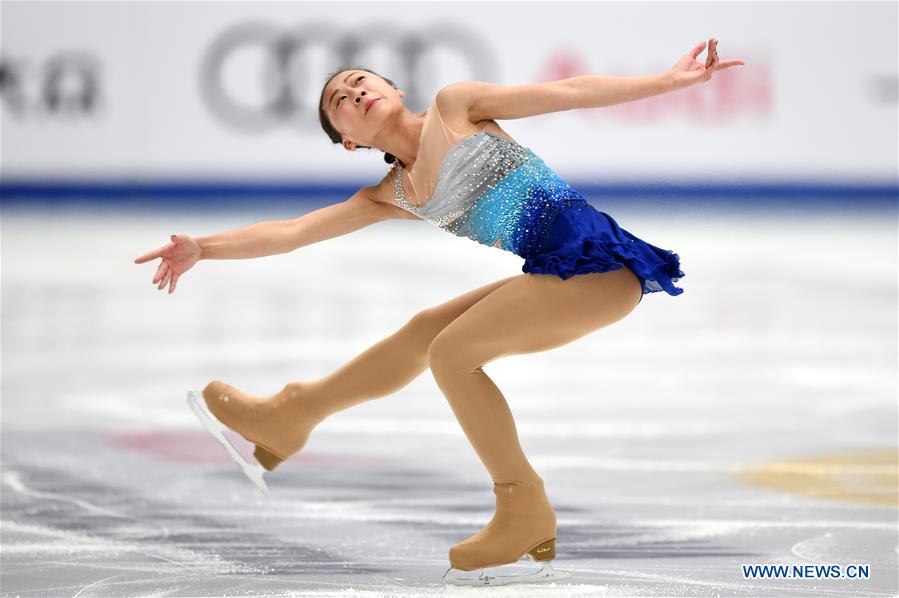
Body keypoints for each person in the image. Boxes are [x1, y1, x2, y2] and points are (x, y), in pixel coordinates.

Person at [134, 38, 743, 586]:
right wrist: (203, 248)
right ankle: (289, 417)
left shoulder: (457, 107)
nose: (355, 93)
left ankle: (522, 506)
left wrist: (669, 81)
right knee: (427, 332)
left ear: (395, 89)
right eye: (340, 101)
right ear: (349, 140)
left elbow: (568, 91)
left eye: (360, 82)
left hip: (597, 266)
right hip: (560, 274)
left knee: (452, 353)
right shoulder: (391, 194)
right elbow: (292, 231)